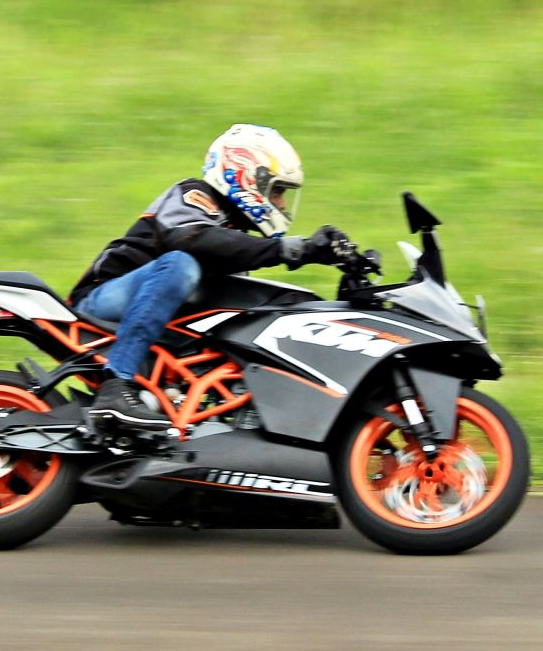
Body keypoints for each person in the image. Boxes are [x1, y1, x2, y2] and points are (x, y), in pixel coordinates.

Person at [69, 123, 346, 431]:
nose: (280, 204)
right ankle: (116, 386)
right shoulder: (194, 195)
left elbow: (232, 251)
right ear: (246, 175)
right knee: (181, 264)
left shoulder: (233, 236)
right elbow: (192, 240)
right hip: (98, 300)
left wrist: (341, 263)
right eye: (277, 191)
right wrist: (295, 249)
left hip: (152, 318)